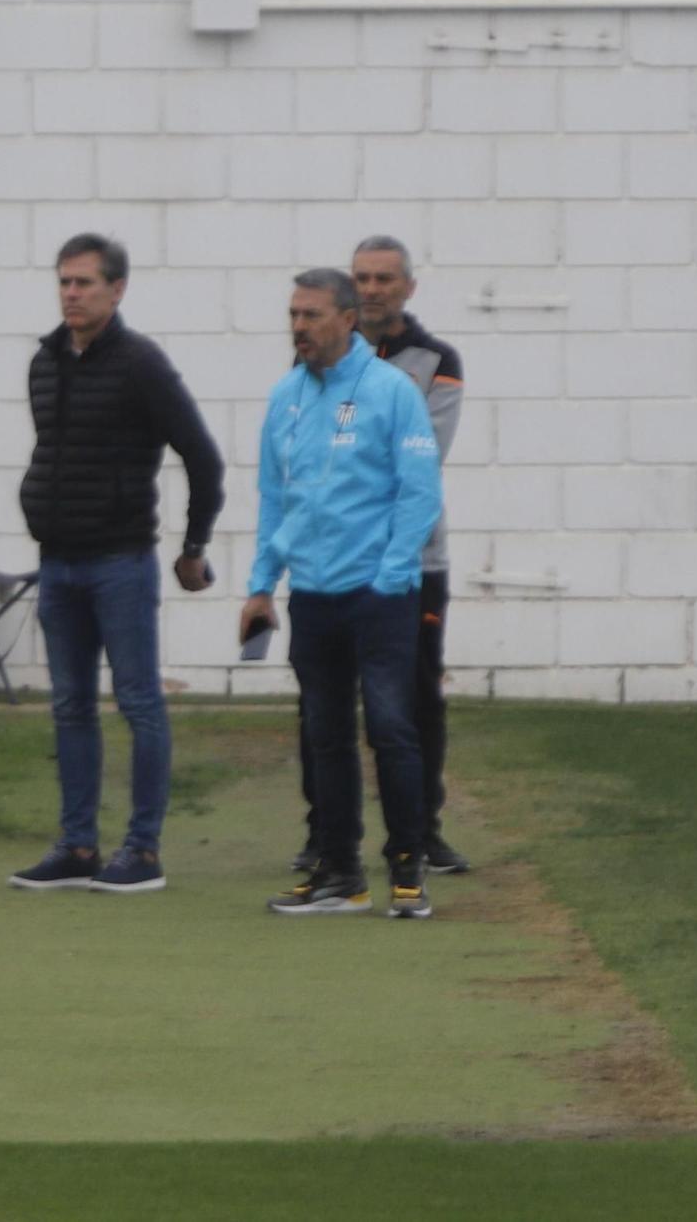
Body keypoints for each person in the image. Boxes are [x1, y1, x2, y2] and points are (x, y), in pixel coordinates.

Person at [8, 233, 224, 894]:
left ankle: (143, 849)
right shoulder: (45, 362)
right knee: (70, 705)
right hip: (59, 563)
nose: (71, 293)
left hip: (121, 562)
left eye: (85, 283)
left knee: (138, 701)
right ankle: (77, 846)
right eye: (64, 282)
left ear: (117, 289)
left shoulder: (141, 364)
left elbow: (202, 456)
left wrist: (193, 547)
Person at [243, 268, 440, 918]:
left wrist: (388, 576)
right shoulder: (285, 397)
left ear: (347, 318)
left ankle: (407, 866)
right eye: (293, 315)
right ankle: (339, 871)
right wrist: (260, 585)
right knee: (323, 731)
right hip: (314, 596)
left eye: (312, 315)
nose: (298, 327)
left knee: (389, 726)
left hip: (379, 594)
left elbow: (419, 493)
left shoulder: (391, 391)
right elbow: (277, 498)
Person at [291, 237, 470, 874]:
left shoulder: (435, 360)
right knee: (323, 705)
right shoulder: (316, 357)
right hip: (329, 564)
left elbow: (417, 458)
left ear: (408, 288)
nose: (371, 289)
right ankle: (325, 836)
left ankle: (421, 832)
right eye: (361, 278)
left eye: (384, 279)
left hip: (411, 565)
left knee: (413, 699)